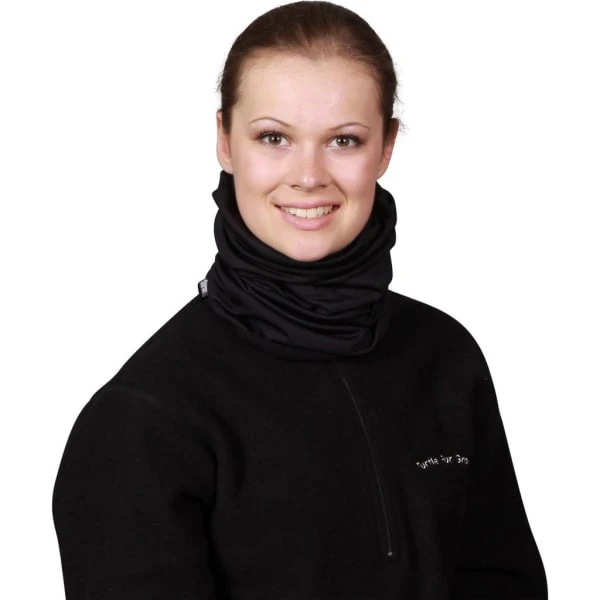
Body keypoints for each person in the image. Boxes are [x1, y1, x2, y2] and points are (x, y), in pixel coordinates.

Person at [52, 1, 548, 598]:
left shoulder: (445, 356)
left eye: (343, 140)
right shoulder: (144, 418)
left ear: (386, 147)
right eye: (274, 137)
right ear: (225, 141)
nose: (308, 176)